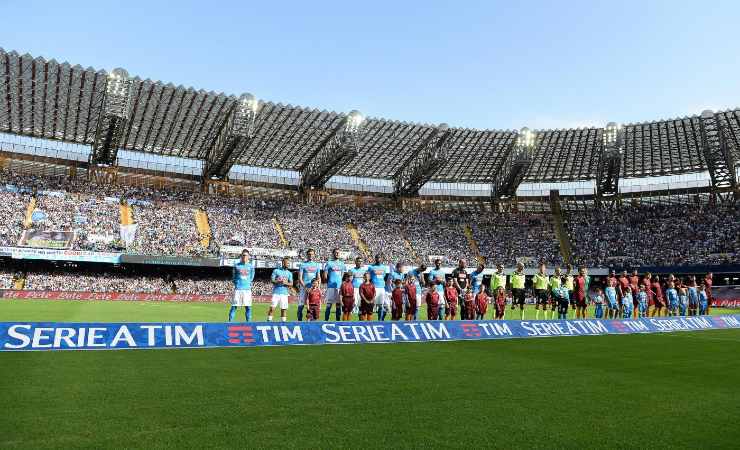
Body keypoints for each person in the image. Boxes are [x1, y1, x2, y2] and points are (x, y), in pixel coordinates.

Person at [229, 249, 254, 322]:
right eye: (243, 255)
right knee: (234, 307)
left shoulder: (251, 266)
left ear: (248, 256)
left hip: (247, 290)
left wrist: (247, 283)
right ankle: (229, 323)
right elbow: (233, 277)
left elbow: (252, 277)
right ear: (241, 256)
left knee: (248, 307)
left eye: (246, 255)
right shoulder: (236, 266)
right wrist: (237, 283)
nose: (244, 257)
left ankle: (249, 324)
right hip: (238, 289)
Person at [297, 249, 322, 321]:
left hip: (313, 289)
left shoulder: (316, 265)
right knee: (301, 306)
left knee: (312, 306)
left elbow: (319, 277)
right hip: (304, 288)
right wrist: (305, 288)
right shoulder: (303, 265)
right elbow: (300, 278)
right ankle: (299, 322)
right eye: (309, 254)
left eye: (312, 254)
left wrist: (318, 287)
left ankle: (311, 322)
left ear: (314, 255)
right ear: (307, 255)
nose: (310, 255)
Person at [322, 248, 346, 321]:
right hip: (331, 287)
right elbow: (325, 274)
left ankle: (337, 322)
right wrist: (328, 281)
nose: (337, 254)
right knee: (329, 305)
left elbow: (342, 274)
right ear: (333, 254)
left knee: (338, 305)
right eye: (336, 253)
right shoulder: (329, 263)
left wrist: (339, 282)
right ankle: (326, 321)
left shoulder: (342, 264)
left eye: (338, 253)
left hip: (339, 287)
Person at [268, 257, 293, 322]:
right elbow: (272, 280)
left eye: (288, 263)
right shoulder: (276, 271)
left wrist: (285, 283)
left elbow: (291, 284)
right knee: (272, 308)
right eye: (287, 263)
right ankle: (269, 322)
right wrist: (278, 281)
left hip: (284, 293)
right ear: (283, 263)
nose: (288, 264)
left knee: (283, 309)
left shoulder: (289, 273)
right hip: (276, 292)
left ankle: (283, 324)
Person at [367, 254, 390, 321]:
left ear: (381, 259)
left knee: (381, 305)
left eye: (380, 258)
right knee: (372, 304)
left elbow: (384, 277)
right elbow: (368, 277)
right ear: (375, 259)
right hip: (374, 288)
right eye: (377, 258)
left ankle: (379, 320)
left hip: (382, 288)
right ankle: (369, 321)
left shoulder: (384, 267)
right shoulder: (371, 267)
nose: (378, 259)